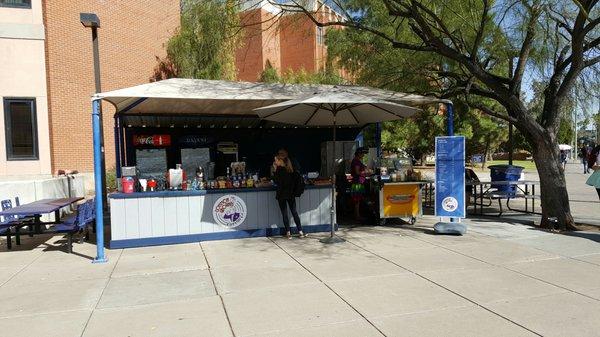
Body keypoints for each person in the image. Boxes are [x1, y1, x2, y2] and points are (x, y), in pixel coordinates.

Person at [272, 155, 305, 239]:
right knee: (294, 212)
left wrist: (275, 170)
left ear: (280, 161)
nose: (275, 162)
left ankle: (288, 233)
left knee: (285, 214)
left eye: (276, 160)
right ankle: (300, 231)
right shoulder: (291, 169)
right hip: (291, 194)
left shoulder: (279, 170)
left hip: (282, 195)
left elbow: (276, 181)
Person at [350, 147, 372, 220]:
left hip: (359, 182)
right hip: (357, 183)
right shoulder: (356, 161)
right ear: (359, 154)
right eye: (362, 154)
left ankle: (357, 215)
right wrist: (366, 172)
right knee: (357, 200)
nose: (363, 155)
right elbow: (357, 172)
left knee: (358, 199)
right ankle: (357, 216)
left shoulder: (357, 161)